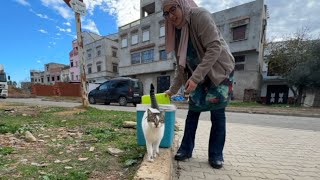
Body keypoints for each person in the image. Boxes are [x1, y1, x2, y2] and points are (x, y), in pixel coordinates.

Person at [162, 0, 235, 169]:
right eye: (166, 13)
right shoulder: (176, 31)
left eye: (173, 9)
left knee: (217, 114)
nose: (171, 16)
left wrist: (195, 78)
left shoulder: (199, 15)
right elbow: (181, 65)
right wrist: (172, 90)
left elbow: (214, 48)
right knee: (193, 112)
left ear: (181, 4)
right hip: (197, 75)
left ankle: (216, 155)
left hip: (218, 71)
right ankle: (186, 150)